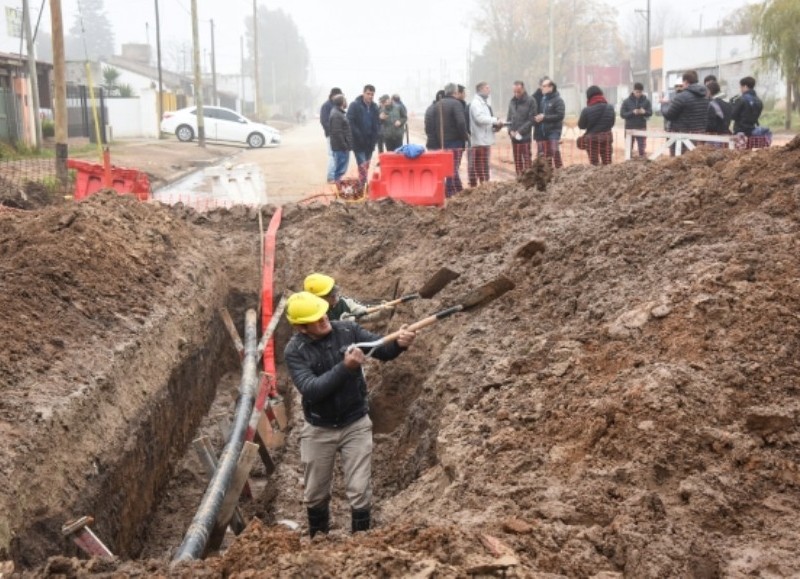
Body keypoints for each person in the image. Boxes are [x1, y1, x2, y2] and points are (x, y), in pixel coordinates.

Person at [284, 292, 416, 537]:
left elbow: (381, 349)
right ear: (301, 328)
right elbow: (312, 390)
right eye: (315, 318)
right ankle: (318, 539)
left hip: (355, 423)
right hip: (319, 428)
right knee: (314, 493)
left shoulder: (347, 330)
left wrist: (399, 343)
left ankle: (360, 544)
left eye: (323, 312)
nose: (324, 318)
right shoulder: (295, 351)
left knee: (359, 489)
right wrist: (346, 368)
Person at [303, 273, 389, 322]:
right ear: (316, 299)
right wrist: (342, 325)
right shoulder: (309, 316)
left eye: (334, 291)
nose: (334, 296)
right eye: (329, 294)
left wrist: (381, 312)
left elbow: (364, 313)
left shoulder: (344, 302)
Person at [661, 70, 709, 154]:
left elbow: (669, 115)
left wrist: (664, 105)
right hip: (699, 136)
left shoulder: (682, 97)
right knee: (696, 162)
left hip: (681, 136)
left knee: (678, 162)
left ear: (686, 82)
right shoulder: (705, 97)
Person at [467, 81, 503, 187]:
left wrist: (495, 126)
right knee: (480, 165)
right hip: (479, 140)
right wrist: (495, 120)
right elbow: (480, 118)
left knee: (484, 165)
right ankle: (482, 185)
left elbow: (486, 121)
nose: (489, 90)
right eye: (487, 88)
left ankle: (485, 184)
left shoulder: (484, 103)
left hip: (484, 139)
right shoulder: (476, 104)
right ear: (481, 89)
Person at [437, 82, 470, 197]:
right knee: (453, 167)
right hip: (455, 141)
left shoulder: (439, 104)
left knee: (449, 167)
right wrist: (465, 137)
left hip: (442, 141)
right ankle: (452, 192)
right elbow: (461, 122)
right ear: (455, 92)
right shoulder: (456, 104)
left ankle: (454, 190)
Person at [346, 84, 380, 188]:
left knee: (367, 165)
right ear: (363, 93)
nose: (370, 96)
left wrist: (375, 137)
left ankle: (363, 185)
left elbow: (377, 123)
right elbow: (350, 122)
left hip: (370, 142)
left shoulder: (374, 107)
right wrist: (358, 135)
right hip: (359, 142)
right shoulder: (355, 105)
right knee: (362, 165)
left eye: (372, 94)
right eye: (368, 94)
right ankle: (363, 186)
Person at [506, 80, 538, 176]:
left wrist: (519, 131)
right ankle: (519, 179)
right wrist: (510, 130)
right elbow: (509, 119)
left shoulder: (531, 101)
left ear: (523, 89)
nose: (516, 94)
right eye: (514, 92)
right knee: (517, 160)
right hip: (514, 138)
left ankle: (529, 179)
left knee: (527, 159)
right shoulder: (512, 102)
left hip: (525, 137)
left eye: (518, 92)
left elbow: (532, 119)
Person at [578, 85, 616, 165]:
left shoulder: (586, 110)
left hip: (593, 140)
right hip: (607, 137)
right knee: (607, 163)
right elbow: (612, 123)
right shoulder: (610, 107)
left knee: (594, 164)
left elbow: (581, 126)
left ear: (588, 97)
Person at [534, 78, 565, 169]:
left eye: (544, 86)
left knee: (554, 150)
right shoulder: (543, 100)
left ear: (551, 87)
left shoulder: (558, 100)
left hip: (554, 130)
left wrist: (544, 117)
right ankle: (549, 173)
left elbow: (560, 115)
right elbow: (544, 115)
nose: (541, 88)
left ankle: (560, 171)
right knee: (546, 155)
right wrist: (539, 117)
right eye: (541, 86)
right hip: (544, 132)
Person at [619, 82, 652, 158]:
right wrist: (632, 112)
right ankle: (628, 161)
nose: (638, 94)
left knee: (642, 148)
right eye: (637, 92)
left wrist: (644, 112)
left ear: (642, 92)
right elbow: (622, 114)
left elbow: (650, 113)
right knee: (629, 148)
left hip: (641, 127)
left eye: (640, 92)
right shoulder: (626, 101)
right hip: (629, 127)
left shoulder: (646, 101)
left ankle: (642, 161)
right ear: (633, 91)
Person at [320, 87, 343, 183]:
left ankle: (336, 176)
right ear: (333, 95)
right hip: (331, 135)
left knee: (337, 156)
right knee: (332, 155)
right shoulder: (326, 106)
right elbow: (324, 121)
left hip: (339, 135)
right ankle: (330, 177)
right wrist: (331, 131)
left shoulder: (338, 105)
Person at [328, 95, 352, 186]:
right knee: (340, 171)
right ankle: (339, 191)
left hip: (341, 147)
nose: (346, 102)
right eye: (345, 100)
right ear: (342, 102)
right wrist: (344, 146)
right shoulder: (337, 115)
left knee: (341, 170)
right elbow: (337, 133)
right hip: (340, 148)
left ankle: (339, 190)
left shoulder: (338, 113)